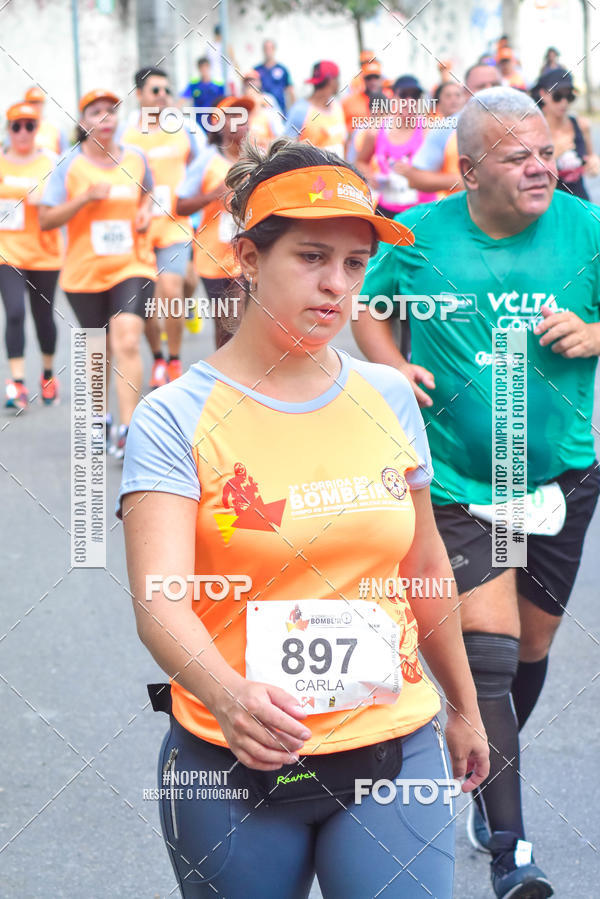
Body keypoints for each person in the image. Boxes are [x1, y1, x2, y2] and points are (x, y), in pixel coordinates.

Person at [119, 136, 489, 899]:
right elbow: (160, 596)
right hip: (234, 756)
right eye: (312, 257)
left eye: (354, 265)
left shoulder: (387, 394)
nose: (335, 286)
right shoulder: (173, 417)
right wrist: (228, 694)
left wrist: (465, 706)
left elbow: (423, 565)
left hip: (393, 742)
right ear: (249, 259)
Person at [354, 86, 600, 898]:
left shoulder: (586, 226)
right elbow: (368, 308)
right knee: (489, 658)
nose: (542, 167)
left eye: (547, 150)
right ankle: (513, 851)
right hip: (458, 476)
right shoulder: (418, 235)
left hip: (562, 471)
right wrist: (389, 363)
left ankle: (479, 759)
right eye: (519, 156)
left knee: (532, 649)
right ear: (468, 172)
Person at [39, 89, 156, 459]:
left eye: (111, 111)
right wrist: (85, 199)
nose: (105, 118)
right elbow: (46, 219)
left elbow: (148, 194)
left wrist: (146, 212)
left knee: (126, 341)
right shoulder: (68, 165)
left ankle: (127, 431)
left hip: (132, 265)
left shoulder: (136, 158)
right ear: (83, 121)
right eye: (96, 112)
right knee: (97, 350)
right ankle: (99, 418)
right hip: (85, 272)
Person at [121, 67, 202, 388]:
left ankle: (174, 360)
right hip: (139, 229)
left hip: (174, 225)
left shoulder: (184, 129)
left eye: (166, 90)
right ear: (139, 95)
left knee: (172, 290)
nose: (163, 96)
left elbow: (201, 165)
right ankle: (157, 356)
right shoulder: (125, 137)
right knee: (149, 302)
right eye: (155, 91)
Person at [175, 97, 254, 348]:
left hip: (253, 254)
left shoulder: (260, 159)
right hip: (216, 258)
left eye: (244, 116)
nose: (242, 123)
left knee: (247, 321)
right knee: (227, 326)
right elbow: (180, 206)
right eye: (233, 117)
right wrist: (214, 195)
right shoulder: (207, 161)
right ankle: (224, 378)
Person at [0, 102, 63, 409]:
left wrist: (33, 195)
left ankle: (48, 374)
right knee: (14, 312)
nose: (22, 133)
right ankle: (17, 383)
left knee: (43, 318)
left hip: (44, 253)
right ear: (8, 130)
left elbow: (54, 199)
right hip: (7, 253)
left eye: (29, 126)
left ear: (37, 130)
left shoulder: (51, 162)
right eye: (16, 126)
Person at [403, 63, 500, 197]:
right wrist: (467, 180)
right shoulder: (447, 127)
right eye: (481, 86)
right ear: (466, 92)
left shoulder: (521, 124)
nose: (490, 91)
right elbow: (414, 178)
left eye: (495, 85)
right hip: (459, 212)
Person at [356, 75, 435, 217]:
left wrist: (412, 174)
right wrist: (368, 175)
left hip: (422, 212)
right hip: (387, 211)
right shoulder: (376, 131)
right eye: (404, 95)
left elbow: (441, 172)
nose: (409, 101)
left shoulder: (429, 130)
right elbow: (361, 162)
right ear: (394, 98)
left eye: (415, 96)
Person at [533, 67, 599, 200]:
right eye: (557, 96)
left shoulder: (581, 125)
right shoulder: (534, 129)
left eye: (569, 96)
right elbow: (527, 172)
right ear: (543, 94)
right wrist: (554, 154)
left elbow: (590, 158)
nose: (564, 102)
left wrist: (593, 163)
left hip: (580, 200)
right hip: (549, 203)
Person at [285, 61, 347, 158]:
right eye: (337, 78)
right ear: (331, 80)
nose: (339, 83)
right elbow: (285, 149)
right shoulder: (300, 110)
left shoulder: (337, 107)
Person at [240, 69, 285, 149]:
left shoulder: (268, 99)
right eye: (247, 81)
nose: (250, 83)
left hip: (266, 144)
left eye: (253, 80)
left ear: (259, 82)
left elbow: (278, 125)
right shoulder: (239, 102)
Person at [180, 58, 224, 131]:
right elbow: (183, 99)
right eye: (202, 68)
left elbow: (223, 103)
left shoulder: (218, 85)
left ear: (209, 67)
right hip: (199, 122)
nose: (204, 70)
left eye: (206, 67)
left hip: (214, 121)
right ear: (199, 69)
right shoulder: (194, 85)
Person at [22, 86, 68, 155]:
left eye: (37, 102)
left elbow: (65, 154)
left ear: (43, 104)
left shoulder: (56, 127)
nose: (34, 105)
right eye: (31, 102)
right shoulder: (18, 129)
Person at [254, 39, 294, 114]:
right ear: (263, 50)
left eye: (270, 48)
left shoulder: (282, 69)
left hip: (280, 111)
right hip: (263, 111)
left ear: (274, 49)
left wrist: (293, 110)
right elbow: (250, 89)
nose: (268, 51)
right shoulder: (257, 70)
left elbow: (290, 90)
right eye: (266, 48)